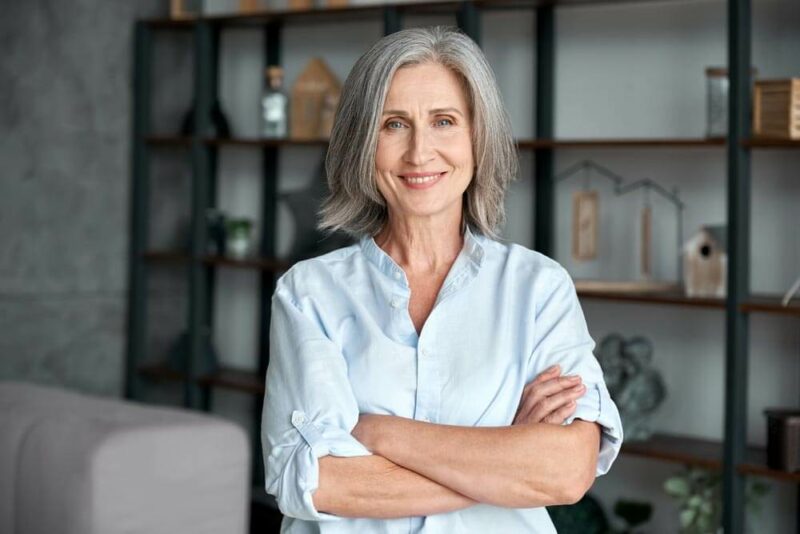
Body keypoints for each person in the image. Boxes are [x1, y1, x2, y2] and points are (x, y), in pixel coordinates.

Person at [261, 26, 623, 533]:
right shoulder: (309, 294)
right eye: (393, 125)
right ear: (362, 143)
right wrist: (506, 459)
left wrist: (379, 432)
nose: (419, 153)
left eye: (444, 121)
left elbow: (565, 471)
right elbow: (316, 483)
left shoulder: (539, 288)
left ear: (478, 137)